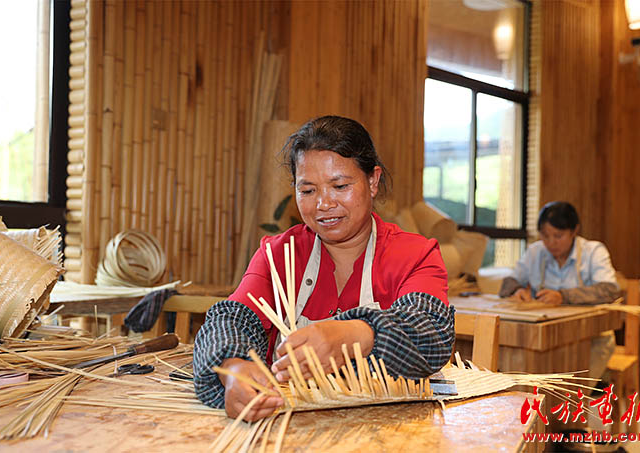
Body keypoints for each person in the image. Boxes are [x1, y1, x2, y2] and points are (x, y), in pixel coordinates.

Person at [194, 115, 454, 421]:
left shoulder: (414, 254)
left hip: (389, 434)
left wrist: (356, 334)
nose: (324, 204)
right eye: (308, 191)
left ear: (373, 181)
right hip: (290, 430)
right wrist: (235, 370)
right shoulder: (280, 254)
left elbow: (432, 334)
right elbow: (229, 320)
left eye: (340, 185)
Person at [499, 201, 621, 378]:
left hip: (589, 337)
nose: (551, 243)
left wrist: (563, 296)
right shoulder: (536, 251)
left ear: (574, 231)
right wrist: (516, 290)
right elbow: (508, 282)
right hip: (544, 339)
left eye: (558, 236)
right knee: (525, 377)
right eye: (545, 235)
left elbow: (609, 291)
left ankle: (566, 404)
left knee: (569, 392)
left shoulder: (593, 251)